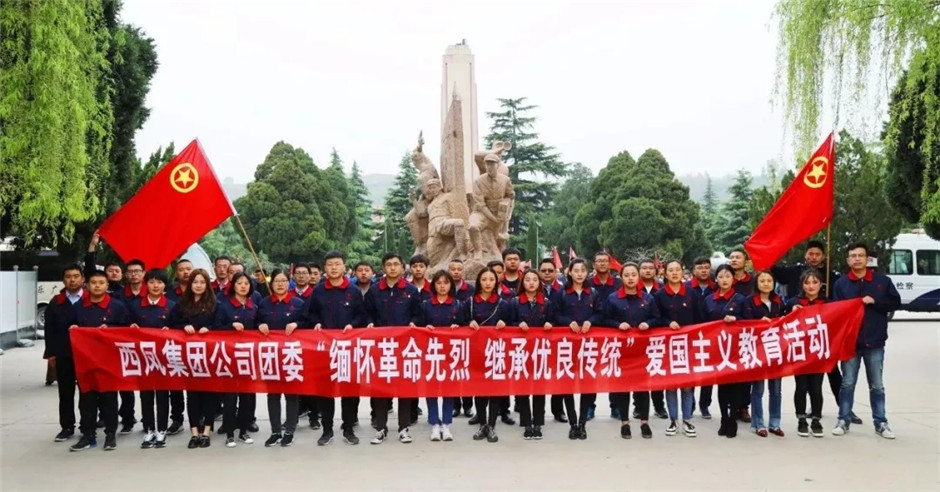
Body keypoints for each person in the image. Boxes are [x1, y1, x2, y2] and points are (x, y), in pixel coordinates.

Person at [772, 241, 858, 425]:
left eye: (817, 254)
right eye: (810, 254)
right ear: (805, 255)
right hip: (802, 339)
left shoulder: (831, 275)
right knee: (805, 382)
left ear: (823, 256)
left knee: (833, 374)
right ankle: (807, 413)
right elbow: (775, 272)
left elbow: (842, 302)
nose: (814, 257)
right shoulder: (795, 272)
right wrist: (770, 251)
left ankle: (845, 409)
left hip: (825, 337)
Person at [831, 242, 901, 439]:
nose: (857, 259)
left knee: (877, 385)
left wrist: (875, 302)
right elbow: (835, 311)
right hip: (850, 344)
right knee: (847, 384)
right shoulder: (841, 284)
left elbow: (895, 303)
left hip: (875, 342)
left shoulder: (882, 281)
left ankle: (881, 422)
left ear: (867, 259)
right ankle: (843, 420)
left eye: (860, 255)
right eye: (853, 256)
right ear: (848, 260)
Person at [309, 251, 368, 446]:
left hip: (347, 349)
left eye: (337, 264)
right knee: (325, 391)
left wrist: (353, 324)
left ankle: (348, 428)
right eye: (330, 264)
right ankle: (327, 430)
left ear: (344, 266)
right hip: (324, 350)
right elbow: (311, 314)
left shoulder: (353, 291)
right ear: (324, 268)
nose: (334, 267)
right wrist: (316, 323)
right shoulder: (318, 291)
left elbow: (361, 315)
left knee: (349, 390)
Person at [68, 270, 130, 452]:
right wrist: (73, 329)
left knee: (109, 399)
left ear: (107, 285)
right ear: (87, 285)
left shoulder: (117, 306)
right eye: (93, 282)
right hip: (85, 360)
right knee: (86, 399)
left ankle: (110, 435)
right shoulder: (79, 307)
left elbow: (126, 330)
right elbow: (69, 326)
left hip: (108, 360)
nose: (97, 286)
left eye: (101, 282)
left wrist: (110, 329)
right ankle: (88, 435)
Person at [364, 253, 422, 444]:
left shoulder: (411, 290)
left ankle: (404, 428)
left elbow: (418, 314)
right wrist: (370, 323)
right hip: (380, 347)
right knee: (380, 389)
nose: (392, 267)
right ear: (383, 268)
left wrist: (413, 323)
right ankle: (381, 428)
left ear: (403, 268)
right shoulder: (374, 290)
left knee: (404, 388)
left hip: (404, 347)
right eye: (388, 264)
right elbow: (367, 313)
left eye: (396, 264)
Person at [602, 262, 659, 440]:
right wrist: (617, 324)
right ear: (621, 277)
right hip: (621, 351)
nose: (630, 278)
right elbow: (604, 320)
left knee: (643, 388)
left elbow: (657, 318)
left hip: (642, 350)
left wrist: (648, 323)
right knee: (623, 388)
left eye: (633, 274)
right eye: (626, 275)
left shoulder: (648, 299)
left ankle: (644, 422)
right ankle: (625, 423)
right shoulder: (613, 298)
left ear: (638, 276)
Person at [257, 269, 309, 447]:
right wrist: (260, 325)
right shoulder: (264, 303)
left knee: (291, 394)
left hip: (291, 355)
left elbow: (308, 323)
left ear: (289, 283)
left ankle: (289, 431)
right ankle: (275, 431)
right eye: (276, 281)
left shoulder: (298, 303)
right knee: (273, 394)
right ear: (271, 283)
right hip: (270, 355)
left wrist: (297, 324)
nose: (280, 284)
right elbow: (255, 322)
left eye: (283, 281)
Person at [552, 258, 602, 440]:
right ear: (569, 272)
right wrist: (568, 322)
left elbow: (600, 313)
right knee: (568, 384)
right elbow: (554, 314)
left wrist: (591, 321)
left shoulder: (593, 293)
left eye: (583, 270)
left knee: (588, 384)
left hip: (588, 347)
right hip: (567, 346)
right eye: (576, 270)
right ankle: (572, 423)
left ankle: (582, 423)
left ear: (587, 273)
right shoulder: (561, 293)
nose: (580, 274)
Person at [168, 269, 218, 449]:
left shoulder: (215, 304)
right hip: (188, 357)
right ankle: (194, 433)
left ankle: (207, 432)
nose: (198, 285)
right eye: (195, 282)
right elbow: (171, 323)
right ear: (190, 284)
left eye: (202, 282)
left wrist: (209, 329)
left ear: (207, 285)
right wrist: (184, 326)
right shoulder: (182, 304)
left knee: (209, 395)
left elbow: (221, 325)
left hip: (209, 356)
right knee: (192, 396)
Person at [652, 260, 702, 438]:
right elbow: (656, 318)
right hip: (668, 346)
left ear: (682, 272)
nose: (674, 273)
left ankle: (687, 419)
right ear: (664, 273)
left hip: (688, 346)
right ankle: (673, 420)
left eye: (677, 270)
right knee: (671, 385)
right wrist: (667, 323)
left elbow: (700, 318)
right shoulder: (659, 295)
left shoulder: (692, 293)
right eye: (670, 270)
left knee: (687, 386)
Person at [128, 269, 176, 449]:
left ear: (165, 285)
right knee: (146, 395)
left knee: (163, 395)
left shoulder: (172, 306)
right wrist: (131, 327)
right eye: (152, 282)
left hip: (164, 358)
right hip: (143, 358)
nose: (156, 286)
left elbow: (179, 329)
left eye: (160, 282)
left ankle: (162, 430)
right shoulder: (135, 306)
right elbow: (125, 327)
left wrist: (171, 331)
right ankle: (148, 429)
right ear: (145, 284)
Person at [464, 267, 513, 443]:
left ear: (496, 282)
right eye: (484, 279)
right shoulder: (470, 303)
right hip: (476, 353)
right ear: (479, 281)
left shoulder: (503, 304)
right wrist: (469, 322)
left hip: (497, 353)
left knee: (495, 391)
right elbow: (460, 322)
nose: (487, 283)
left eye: (491, 280)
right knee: (480, 391)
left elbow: (513, 325)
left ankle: (491, 425)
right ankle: (482, 424)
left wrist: (505, 324)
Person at [417, 269, 466, 442]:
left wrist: (458, 328)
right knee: (431, 390)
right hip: (431, 354)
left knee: (448, 390)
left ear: (451, 285)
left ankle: (446, 424)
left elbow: (465, 327)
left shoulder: (457, 305)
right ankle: (434, 424)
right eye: (438, 283)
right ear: (434, 285)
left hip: (450, 355)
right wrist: (425, 328)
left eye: (446, 283)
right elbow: (417, 327)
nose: (442, 286)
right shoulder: (425, 305)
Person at [212, 272, 258, 448]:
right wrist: (230, 326)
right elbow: (216, 328)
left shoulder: (254, 307)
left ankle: (243, 431)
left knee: (247, 397)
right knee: (230, 398)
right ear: (233, 286)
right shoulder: (224, 307)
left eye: (246, 283)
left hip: (248, 358)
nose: (243, 286)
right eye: (239, 283)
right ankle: (230, 433)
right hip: (229, 357)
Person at [703, 264, 748, 438]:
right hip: (717, 348)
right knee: (721, 386)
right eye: (721, 276)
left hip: (736, 348)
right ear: (716, 279)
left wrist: (736, 319)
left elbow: (749, 321)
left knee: (735, 386)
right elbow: (703, 322)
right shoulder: (709, 299)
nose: (724, 280)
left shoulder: (741, 299)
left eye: (728, 276)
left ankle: (733, 420)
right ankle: (724, 419)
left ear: (733, 279)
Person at [511, 269, 555, 440]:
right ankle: (526, 423)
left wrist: (550, 324)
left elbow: (553, 320)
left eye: (534, 280)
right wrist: (517, 324)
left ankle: (538, 423)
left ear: (539, 283)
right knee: (523, 389)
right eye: (527, 280)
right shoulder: (515, 302)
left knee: (539, 389)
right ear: (523, 283)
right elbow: (508, 322)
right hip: (521, 352)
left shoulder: (547, 303)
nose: (531, 283)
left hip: (540, 352)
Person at [785, 269, 828, 438]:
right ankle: (801, 419)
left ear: (820, 284)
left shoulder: (828, 303)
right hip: (800, 352)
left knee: (816, 388)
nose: (811, 286)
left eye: (815, 282)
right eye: (807, 283)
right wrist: (791, 312)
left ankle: (816, 420)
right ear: (802, 285)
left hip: (818, 352)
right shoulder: (793, 302)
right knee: (801, 386)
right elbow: (780, 322)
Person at [45, 264, 85, 443]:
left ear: (82, 279)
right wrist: (51, 354)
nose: (72, 280)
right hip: (63, 353)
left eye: (76, 276)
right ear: (63, 280)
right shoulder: (56, 302)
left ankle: (87, 425)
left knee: (87, 392)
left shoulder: (90, 300)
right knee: (65, 392)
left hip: (86, 355)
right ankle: (67, 427)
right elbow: (49, 330)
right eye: (68, 277)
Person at [743, 270, 785, 437]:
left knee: (776, 390)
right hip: (757, 350)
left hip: (775, 350)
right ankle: (758, 424)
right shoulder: (749, 301)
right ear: (756, 283)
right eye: (762, 281)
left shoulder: (778, 301)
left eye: (769, 280)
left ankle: (775, 423)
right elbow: (744, 324)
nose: (766, 284)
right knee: (758, 389)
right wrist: (758, 323)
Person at [588, 251, 622, 420]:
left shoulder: (618, 283)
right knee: (590, 370)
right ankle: (589, 406)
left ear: (610, 264)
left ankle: (615, 406)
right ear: (593, 265)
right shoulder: (587, 283)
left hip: (614, 331)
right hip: (591, 332)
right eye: (598, 261)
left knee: (614, 370)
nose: (602, 264)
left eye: (604, 261)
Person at [165, 259, 192, 434]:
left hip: (196, 347)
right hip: (175, 345)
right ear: (176, 273)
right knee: (175, 384)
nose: (186, 272)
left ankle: (200, 418)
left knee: (196, 385)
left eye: (189, 269)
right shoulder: (169, 294)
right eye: (182, 269)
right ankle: (177, 419)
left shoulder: (202, 292)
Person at [638, 258, 667, 419]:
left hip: (657, 337)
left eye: (650, 268)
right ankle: (638, 407)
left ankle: (659, 405)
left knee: (657, 372)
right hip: (637, 337)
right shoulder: (632, 287)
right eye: (644, 268)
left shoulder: (662, 288)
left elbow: (662, 314)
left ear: (655, 271)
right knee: (638, 372)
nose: (648, 270)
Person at [83, 230, 123, 294]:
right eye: (110, 271)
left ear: (121, 276)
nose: (114, 273)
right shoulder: (98, 288)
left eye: (117, 271)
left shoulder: (125, 292)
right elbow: (89, 266)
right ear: (104, 273)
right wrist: (92, 244)